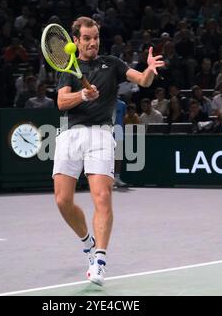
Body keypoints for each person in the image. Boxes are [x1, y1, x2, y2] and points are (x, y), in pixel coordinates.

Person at [54, 16, 164, 286]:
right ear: (76, 41)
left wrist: (148, 70)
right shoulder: (68, 67)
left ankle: (100, 261)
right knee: (62, 201)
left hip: (101, 135)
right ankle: (87, 242)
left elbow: (142, 80)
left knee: (102, 197)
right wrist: (82, 95)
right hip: (70, 135)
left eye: (96, 37)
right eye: (87, 38)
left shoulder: (112, 64)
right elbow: (60, 102)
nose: (93, 42)